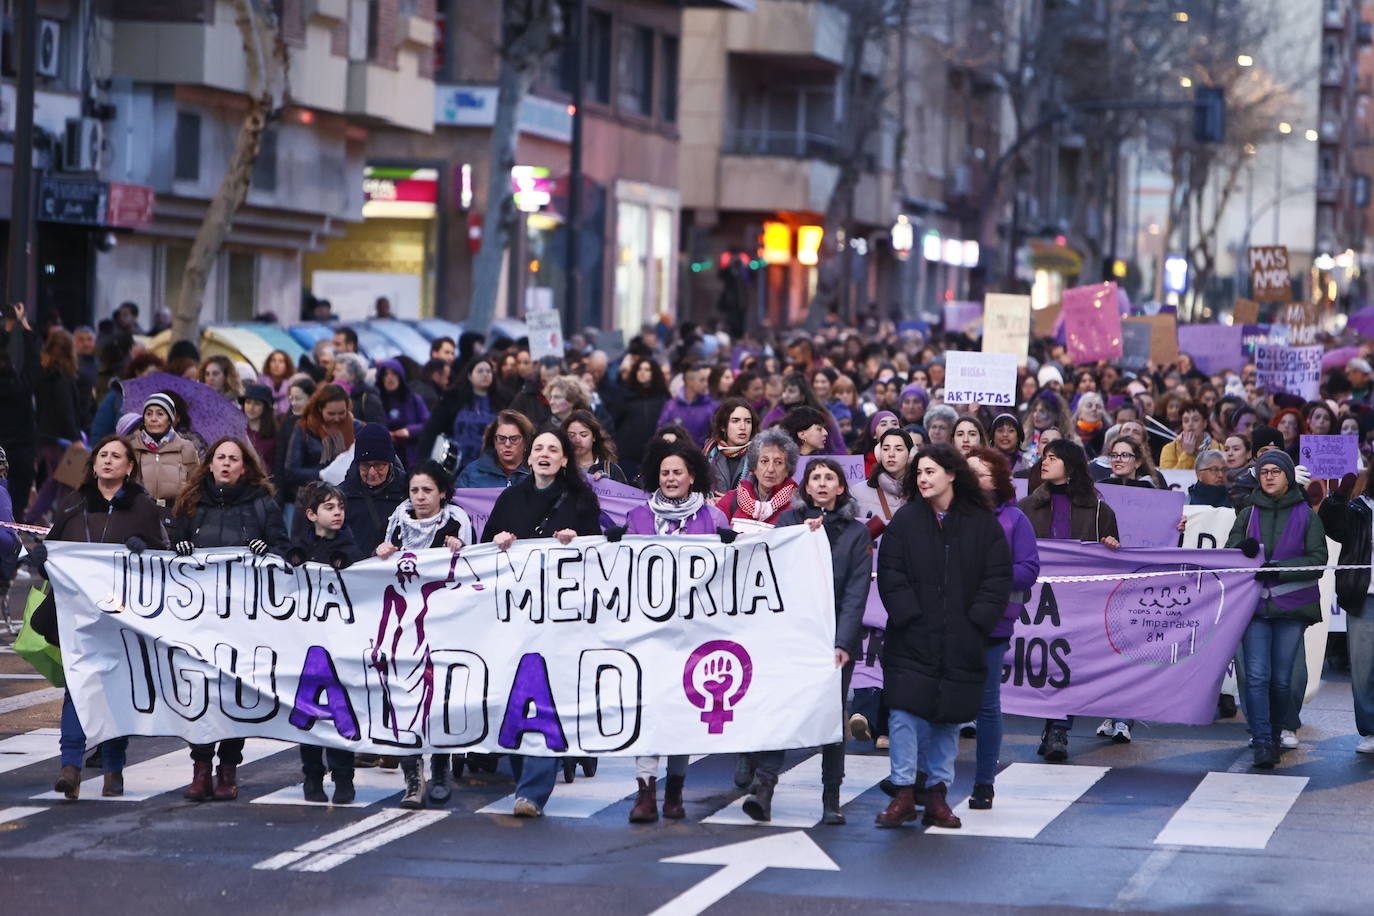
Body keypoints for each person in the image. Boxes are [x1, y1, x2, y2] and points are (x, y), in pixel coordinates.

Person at [874, 444, 1012, 829]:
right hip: (912, 636)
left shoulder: (981, 523)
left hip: (961, 638)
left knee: (948, 719)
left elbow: (997, 577)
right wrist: (909, 616)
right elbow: (891, 572)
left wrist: (976, 622)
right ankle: (903, 790)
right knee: (902, 712)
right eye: (919, 473)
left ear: (951, 474)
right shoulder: (906, 522)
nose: (922, 478)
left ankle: (936, 793)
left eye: (930, 471)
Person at [27, 435, 167, 800]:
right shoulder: (74, 503)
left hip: (122, 618)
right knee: (77, 689)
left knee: (115, 692)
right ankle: (70, 766)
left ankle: (113, 769)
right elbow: (55, 552)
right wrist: (42, 558)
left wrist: (146, 547)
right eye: (102, 455)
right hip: (77, 616)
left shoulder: (142, 507)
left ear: (129, 466)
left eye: (115, 456)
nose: (107, 461)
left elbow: (163, 559)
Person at [740, 458, 871, 824]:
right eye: (816, 478)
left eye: (831, 478)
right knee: (781, 709)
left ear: (841, 487)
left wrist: (843, 642)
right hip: (793, 638)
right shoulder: (789, 524)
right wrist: (804, 536)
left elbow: (855, 595)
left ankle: (832, 796)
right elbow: (776, 577)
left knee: (830, 719)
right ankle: (764, 787)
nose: (823, 483)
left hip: (833, 642)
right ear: (807, 488)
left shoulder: (856, 534)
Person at [482, 428, 603, 817]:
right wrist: (496, 541)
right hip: (515, 616)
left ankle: (532, 792)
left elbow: (599, 556)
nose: (545, 454)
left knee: (545, 696)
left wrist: (578, 541)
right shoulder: (510, 498)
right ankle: (523, 778)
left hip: (559, 618)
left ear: (565, 459)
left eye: (554, 449)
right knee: (516, 694)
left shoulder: (581, 500)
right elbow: (482, 553)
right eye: (539, 449)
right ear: (529, 459)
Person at [169, 437, 288, 800]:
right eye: (219, 457)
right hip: (199, 617)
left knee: (233, 692)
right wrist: (179, 548)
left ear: (244, 467)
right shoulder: (191, 502)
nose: (225, 464)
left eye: (232, 459)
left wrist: (266, 551)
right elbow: (170, 547)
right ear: (209, 464)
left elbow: (284, 549)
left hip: (243, 619)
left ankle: (228, 768)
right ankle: (200, 767)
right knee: (200, 692)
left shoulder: (261, 503)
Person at [623, 441, 729, 822]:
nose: (670, 478)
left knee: (683, 711)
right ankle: (645, 790)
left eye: (677, 473)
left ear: (692, 478)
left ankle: (675, 788)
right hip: (648, 633)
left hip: (694, 632)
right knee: (650, 709)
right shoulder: (636, 518)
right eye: (665, 472)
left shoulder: (713, 518)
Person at [373, 461, 474, 808]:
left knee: (441, 695)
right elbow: (385, 571)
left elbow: (470, 566)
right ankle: (412, 778)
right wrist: (383, 553)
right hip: (403, 623)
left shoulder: (457, 520)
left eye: (427, 490)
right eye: (415, 490)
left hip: (444, 622)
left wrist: (459, 548)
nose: (420, 497)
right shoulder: (397, 520)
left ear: (442, 492)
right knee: (404, 697)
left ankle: (441, 769)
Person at [1018, 439, 1120, 761]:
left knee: (1067, 666)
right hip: (1037, 601)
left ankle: (1059, 729)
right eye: (1043, 457)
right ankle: (1052, 726)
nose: (1044, 462)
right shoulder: (1026, 507)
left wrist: (1110, 544)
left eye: (1052, 458)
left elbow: (1114, 559)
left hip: (1080, 603)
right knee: (1042, 664)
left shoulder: (1101, 510)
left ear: (1071, 466)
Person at [1225, 450, 1326, 768]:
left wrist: (1277, 568)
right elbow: (1229, 555)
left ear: (1287, 476)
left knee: (1282, 680)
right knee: (1256, 676)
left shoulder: (1306, 514)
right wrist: (1243, 552)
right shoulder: (1248, 514)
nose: (1268, 476)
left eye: (1275, 471)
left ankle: (1280, 727)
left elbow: (1317, 561)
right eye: (1263, 471)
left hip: (1291, 609)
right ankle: (1263, 738)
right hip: (1253, 608)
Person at [962, 448, 1039, 809]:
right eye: (969, 471)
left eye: (981, 472)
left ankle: (983, 783)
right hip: (951, 620)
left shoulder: (1014, 519)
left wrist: (990, 572)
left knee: (987, 705)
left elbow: (1029, 570)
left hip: (993, 622)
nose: (973, 477)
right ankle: (929, 779)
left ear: (998, 479)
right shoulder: (953, 514)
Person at [285, 481, 365, 804]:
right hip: (307, 646)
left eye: (340, 508)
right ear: (311, 514)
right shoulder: (299, 550)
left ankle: (343, 776)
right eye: (329, 508)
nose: (337, 513)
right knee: (307, 712)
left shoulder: (350, 548)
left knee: (340, 712)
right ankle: (312, 776)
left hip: (339, 646)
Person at [1317, 472, 1374, 756]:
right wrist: (1338, 497)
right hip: (1365, 596)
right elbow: (1331, 526)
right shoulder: (1359, 508)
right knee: (1363, 668)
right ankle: (1370, 729)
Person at [27, 329, 84, 524]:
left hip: (47, 438)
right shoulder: (61, 378)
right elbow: (65, 410)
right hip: (63, 440)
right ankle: (63, 526)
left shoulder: (45, 375)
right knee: (66, 485)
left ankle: (30, 521)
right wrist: (76, 437)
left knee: (54, 483)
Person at [420, 357, 501, 474]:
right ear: (469, 376)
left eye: (488, 371)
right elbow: (432, 430)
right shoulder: (453, 399)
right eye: (480, 371)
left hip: (489, 464)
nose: (485, 374)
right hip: (456, 464)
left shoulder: (501, 402)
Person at [339, 423, 409, 556]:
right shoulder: (342, 497)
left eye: (378, 465)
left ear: (390, 463)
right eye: (365, 465)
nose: (372, 472)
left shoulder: (410, 491)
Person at [128, 392, 201, 520]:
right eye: (149, 413)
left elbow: (195, 485)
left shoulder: (186, 448)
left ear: (170, 419)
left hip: (175, 515)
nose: (153, 418)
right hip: (139, 514)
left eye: (160, 414)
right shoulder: (132, 447)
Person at [716, 428, 799, 532]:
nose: (770, 469)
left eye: (778, 462)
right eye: (764, 461)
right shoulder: (731, 499)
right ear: (754, 467)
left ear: (788, 470)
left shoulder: (798, 506)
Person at [283, 384, 358, 494]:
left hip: (346, 494)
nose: (337, 418)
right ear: (320, 409)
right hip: (313, 495)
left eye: (342, 413)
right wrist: (323, 474)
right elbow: (291, 471)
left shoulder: (355, 427)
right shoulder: (304, 428)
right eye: (331, 414)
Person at [613, 358, 669, 481]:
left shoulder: (662, 397)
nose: (642, 372)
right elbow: (614, 423)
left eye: (647, 369)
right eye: (639, 369)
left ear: (654, 373)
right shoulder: (623, 395)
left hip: (654, 454)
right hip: (628, 454)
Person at [455, 410, 533, 488]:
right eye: (501, 439)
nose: (507, 444)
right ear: (494, 441)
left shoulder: (536, 472)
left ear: (525, 441)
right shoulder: (472, 473)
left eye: (514, 439)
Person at [375, 359, 430, 468]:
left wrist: (408, 431)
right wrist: (386, 434)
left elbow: (428, 424)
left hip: (412, 456)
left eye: (394, 373)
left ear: (401, 376)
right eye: (385, 374)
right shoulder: (375, 401)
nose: (390, 377)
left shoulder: (414, 399)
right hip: (385, 458)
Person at [704, 398, 758, 496]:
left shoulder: (760, 455)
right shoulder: (709, 453)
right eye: (735, 421)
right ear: (723, 427)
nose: (743, 427)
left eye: (748, 421)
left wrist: (730, 502)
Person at [656, 362, 717, 447]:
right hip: (677, 455)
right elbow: (661, 431)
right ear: (689, 381)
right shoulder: (671, 406)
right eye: (702, 380)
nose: (706, 384)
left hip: (702, 457)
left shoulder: (712, 406)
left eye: (707, 380)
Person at [565, 408, 626, 482]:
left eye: (583, 435)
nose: (577, 440)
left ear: (593, 437)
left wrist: (608, 485)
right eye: (571, 435)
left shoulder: (610, 470)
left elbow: (625, 492)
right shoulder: (560, 469)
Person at [333, 352, 385, 424]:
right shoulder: (337, 394)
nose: (333, 373)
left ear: (352, 375)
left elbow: (376, 429)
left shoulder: (369, 398)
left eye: (338, 370)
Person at [1159, 401, 1212, 469]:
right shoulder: (1169, 449)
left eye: (1195, 420)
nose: (1190, 424)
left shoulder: (1217, 447)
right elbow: (1169, 477)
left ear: (1205, 423)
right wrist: (1187, 454)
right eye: (1186, 421)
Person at [241, 384, 279, 472]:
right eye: (248, 402)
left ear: (265, 407)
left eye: (257, 404)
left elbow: (277, 466)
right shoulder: (235, 429)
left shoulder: (274, 434)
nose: (251, 407)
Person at [258, 349, 296, 414]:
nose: (276, 364)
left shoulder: (294, 386)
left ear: (287, 365)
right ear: (268, 364)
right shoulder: (259, 384)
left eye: (281, 361)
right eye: (273, 360)